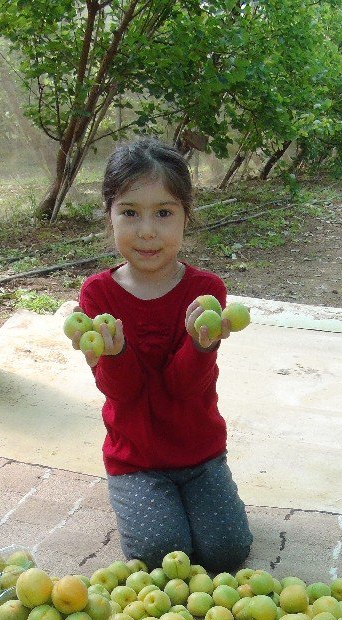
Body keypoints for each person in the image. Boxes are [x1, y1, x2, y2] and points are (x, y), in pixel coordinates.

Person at [71, 136, 252, 572]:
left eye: (164, 213)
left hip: (200, 454)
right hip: (136, 459)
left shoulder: (205, 291)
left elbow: (183, 387)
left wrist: (201, 344)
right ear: (109, 216)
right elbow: (123, 393)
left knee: (227, 552)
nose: (147, 230)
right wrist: (113, 354)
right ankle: (147, 500)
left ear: (187, 217)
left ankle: (192, 497)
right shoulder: (97, 294)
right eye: (129, 213)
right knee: (160, 554)